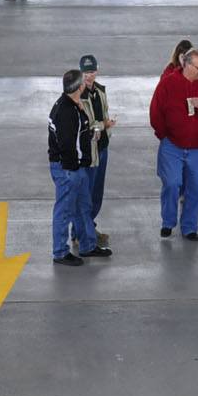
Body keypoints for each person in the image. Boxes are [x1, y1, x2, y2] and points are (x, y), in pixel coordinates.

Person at [149, 47, 198, 240]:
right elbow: (155, 112)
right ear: (187, 65)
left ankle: (190, 227)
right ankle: (168, 222)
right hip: (172, 146)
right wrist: (164, 136)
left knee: (196, 186)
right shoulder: (168, 83)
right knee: (172, 183)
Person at [48, 70, 107, 266]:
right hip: (68, 169)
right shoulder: (66, 112)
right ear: (79, 87)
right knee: (65, 211)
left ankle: (88, 245)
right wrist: (76, 167)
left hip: (76, 168)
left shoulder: (73, 105)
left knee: (83, 207)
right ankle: (60, 252)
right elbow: (68, 145)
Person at [77, 55, 114, 251]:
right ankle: (82, 232)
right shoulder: (78, 95)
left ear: (97, 70)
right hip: (88, 153)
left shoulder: (100, 91)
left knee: (96, 194)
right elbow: (85, 125)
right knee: (86, 195)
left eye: (91, 72)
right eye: (85, 72)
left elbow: (104, 113)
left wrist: (106, 129)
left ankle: (87, 228)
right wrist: (103, 125)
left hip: (102, 148)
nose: (89, 76)